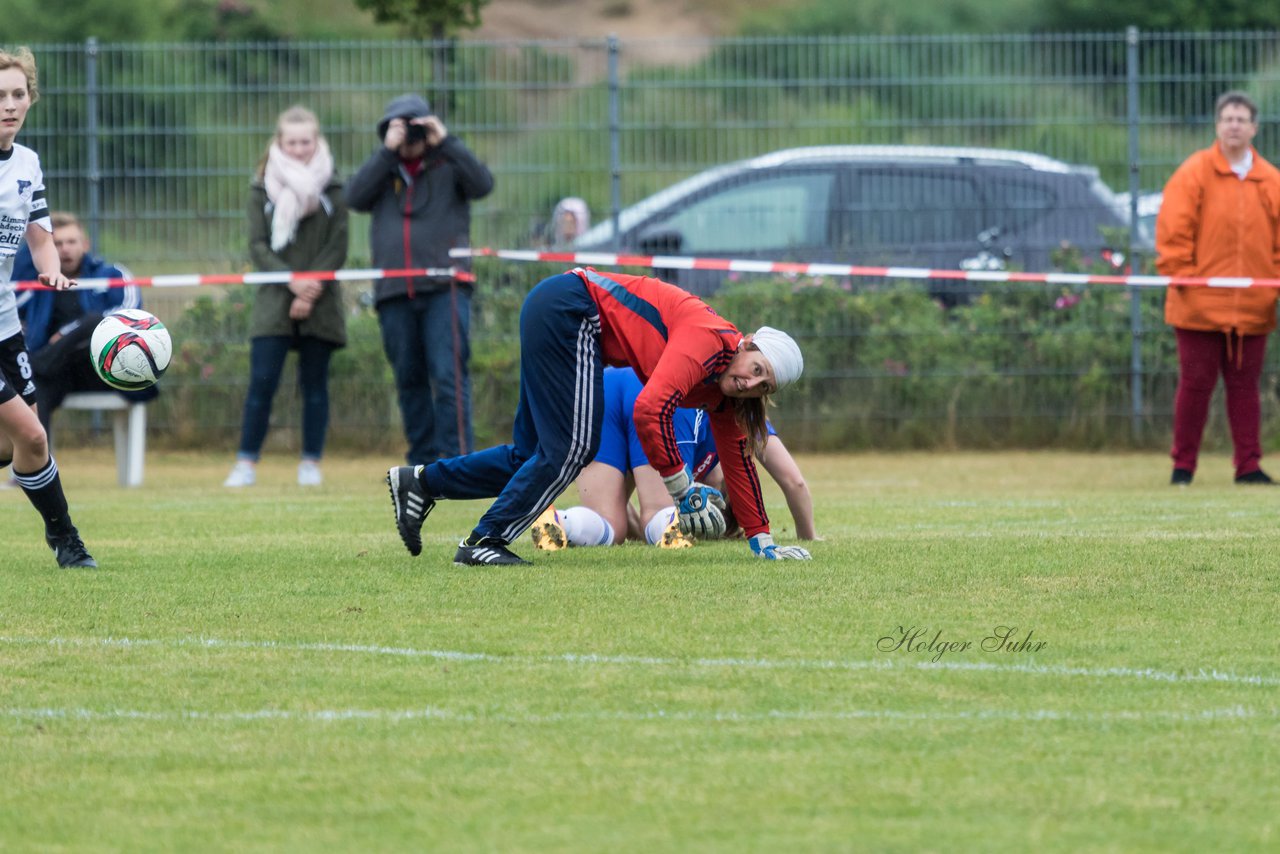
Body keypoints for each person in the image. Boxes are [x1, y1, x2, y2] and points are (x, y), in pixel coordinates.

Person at [385, 266, 813, 565]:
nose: (751, 385)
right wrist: (682, 489)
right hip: (572, 309)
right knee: (573, 448)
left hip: (558, 307)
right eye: (756, 370)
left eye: (764, 387)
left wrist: (764, 542)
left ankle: (422, 483)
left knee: (530, 456)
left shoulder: (725, 388)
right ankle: (486, 540)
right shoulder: (709, 339)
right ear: (748, 344)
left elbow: (738, 459)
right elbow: (651, 409)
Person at [346, 94, 493, 466]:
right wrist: (387, 152)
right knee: (409, 379)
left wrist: (444, 140)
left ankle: (460, 462)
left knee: (449, 376)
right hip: (395, 291)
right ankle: (423, 464)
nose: (409, 135)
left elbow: (482, 184)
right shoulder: (384, 170)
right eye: (400, 126)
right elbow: (354, 196)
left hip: (446, 288)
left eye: (414, 126)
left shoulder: (450, 163)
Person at [528, 366, 819, 550]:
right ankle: (665, 527)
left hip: (607, 382)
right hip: (657, 389)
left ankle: (560, 521)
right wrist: (809, 536)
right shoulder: (741, 417)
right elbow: (793, 482)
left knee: (609, 523)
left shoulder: (724, 424)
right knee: (657, 513)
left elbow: (627, 506)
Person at [0, 47, 96, 568]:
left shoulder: (28, 163)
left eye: (18, 95)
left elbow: (38, 235)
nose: (9, 105)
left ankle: (63, 541)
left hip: (4, 325)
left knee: (22, 448)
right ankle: (68, 543)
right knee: (32, 432)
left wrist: (49, 266)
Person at [1157, 90, 1280, 486]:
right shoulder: (1193, 172)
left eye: (1241, 119)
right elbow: (1174, 232)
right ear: (1217, 125)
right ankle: (1183, 468)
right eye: (1227, 118)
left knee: (1245, 389)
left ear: (1254, 128)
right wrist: (1185, 278)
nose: (1234, 125)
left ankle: (1248, 466)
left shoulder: (1271, 181)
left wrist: (1270, 286)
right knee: (1195, 386)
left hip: (1252, 306)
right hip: (1199, 305)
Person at [223, 106, 349, 488]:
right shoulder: (261, 186)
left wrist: (310, 289)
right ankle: (246, 463)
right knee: (262, 384)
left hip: (321, 300)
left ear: (317, 141)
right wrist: (291, 283)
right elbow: (258, 246)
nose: (298, 148)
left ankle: (311, 463)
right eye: (291, 141)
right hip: (274, 299)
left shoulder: (335, 187)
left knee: (315, 388)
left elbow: (338, 244)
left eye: (305, 141)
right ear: (279, 142)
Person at [12, 211, 147, 447]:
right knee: (38, 386)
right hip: (57, 370)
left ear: (85, 244)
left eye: (71, 242)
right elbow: (12, 319)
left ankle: (36, 365)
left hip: (103, 368)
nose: (65, 249)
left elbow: (127, 318)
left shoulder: (112, 275)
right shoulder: (34, 284)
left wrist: (66, 333)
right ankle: (35, 464)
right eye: (57, 244)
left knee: (94, 322)